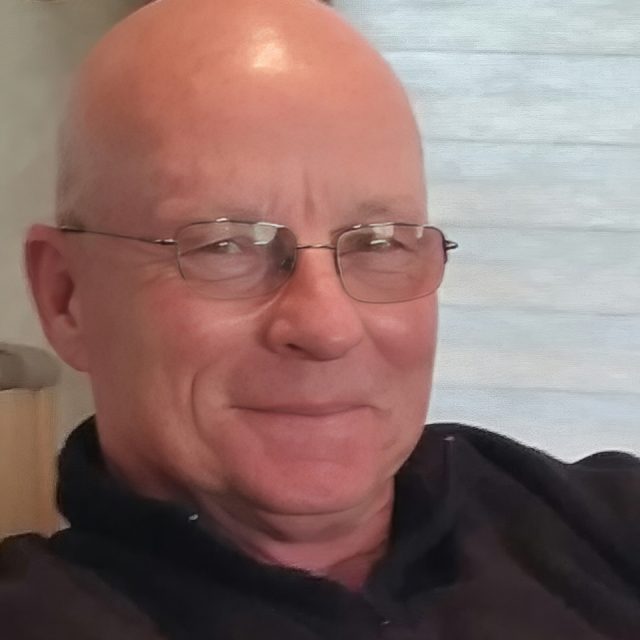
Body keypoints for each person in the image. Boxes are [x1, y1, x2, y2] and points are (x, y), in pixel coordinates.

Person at [1, 0, 638, 637]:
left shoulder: (592, 524)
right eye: (226, 245)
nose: (328, 327)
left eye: (380, 243)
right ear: (67, 297)